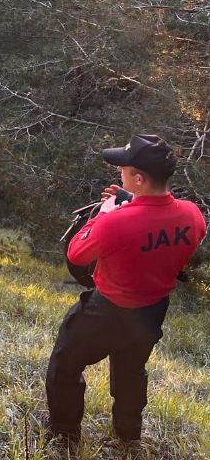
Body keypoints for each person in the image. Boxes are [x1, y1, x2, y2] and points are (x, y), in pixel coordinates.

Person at [48, 134, 206, 446]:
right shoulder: (193, 216)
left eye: (123, 168)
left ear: (138, 178)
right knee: (131, 370)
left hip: (106, 311)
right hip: (152, 311)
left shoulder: (115, 223)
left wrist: (106, 212)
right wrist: (131, 200)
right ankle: (128, 433)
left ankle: (65, 436)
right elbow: (156, 229)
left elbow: (76, 254)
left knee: (65, 364)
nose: (118, 172)